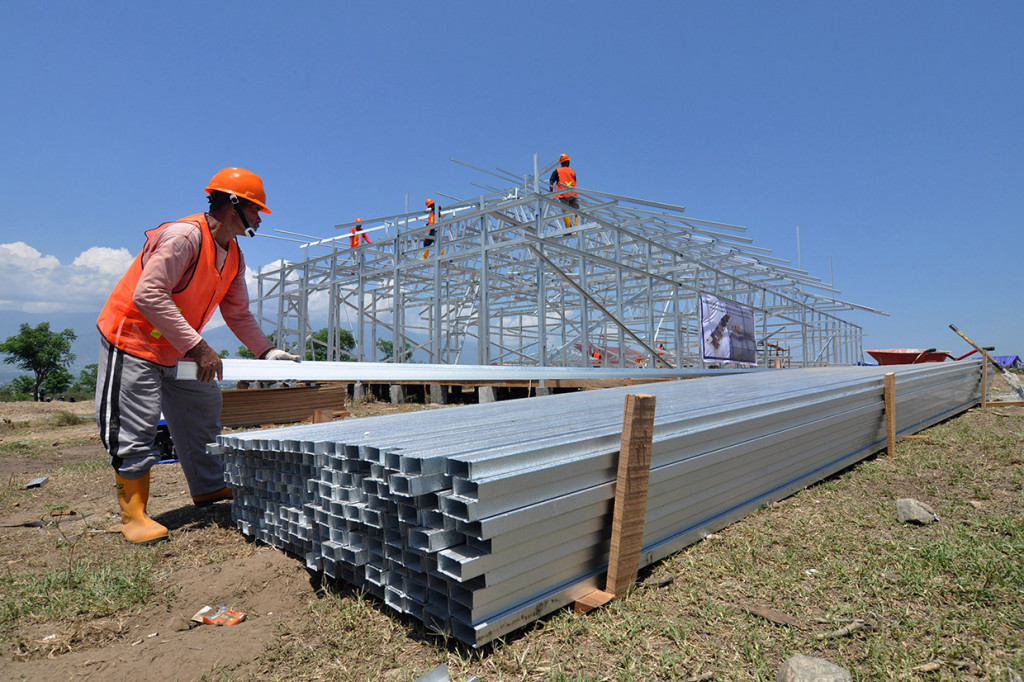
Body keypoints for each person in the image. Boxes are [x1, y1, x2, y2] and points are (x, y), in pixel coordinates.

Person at [95, 167, 300, 544]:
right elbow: (149, 295)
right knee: (134, 426)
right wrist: (199, 346)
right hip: (134, 340)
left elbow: (236, 313)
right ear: (232, 204)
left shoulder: (233, 254)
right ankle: (133, 515)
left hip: (177, 344)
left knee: (202, 405)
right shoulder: (183, 236)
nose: (259, 218)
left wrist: (267, 351)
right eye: (256, 209)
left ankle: (207, 487)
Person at [548, 153, 579, 230]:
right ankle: (578, 227)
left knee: (565, 211)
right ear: (567, 162)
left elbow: (551, 181)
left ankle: (568, 229)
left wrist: (551, 192)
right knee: (577, 211)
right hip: (573, 194)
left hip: (563, 195)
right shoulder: (572, 171)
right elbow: (575, 181)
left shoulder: (557, 171)